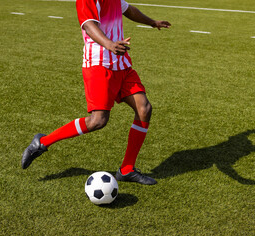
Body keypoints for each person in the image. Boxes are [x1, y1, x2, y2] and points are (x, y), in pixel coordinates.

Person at [21, 0, 171, 185]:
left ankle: (126, 170)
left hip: (121, 63)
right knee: (98, 121)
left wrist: (152, 22)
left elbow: (128, 10)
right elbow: (88, 24)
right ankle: (42, 142)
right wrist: (109, 44)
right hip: (98, 64)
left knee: (144, 109)